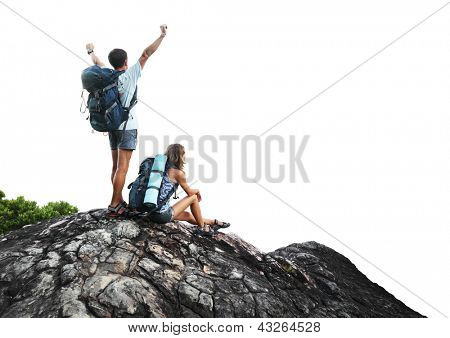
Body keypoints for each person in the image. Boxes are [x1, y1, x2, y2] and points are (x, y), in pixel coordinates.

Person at [85, 24, 167, 217]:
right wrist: (161, 35)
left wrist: (91, 51)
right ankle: (114, 204)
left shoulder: (108, 77)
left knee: (115, 167)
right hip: (127, 126)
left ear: (113, 63)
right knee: (123, 167)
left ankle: (118, 198)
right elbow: (147, 53)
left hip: (111, 125)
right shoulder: (129, 75)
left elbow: (97, 63)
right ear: (126, 61)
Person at [148, 144, 230, 236]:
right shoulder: (178, 173)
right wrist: (197, 190)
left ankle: (213, 222)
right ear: (180, 156)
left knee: (187, 215)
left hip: (150, 212)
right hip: (161, 215)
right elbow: (190, 193)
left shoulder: (157, 169)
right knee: (194, 198)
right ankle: (203, 228)